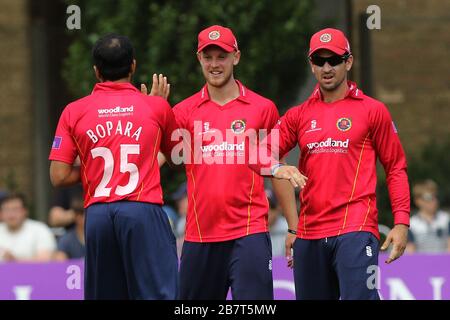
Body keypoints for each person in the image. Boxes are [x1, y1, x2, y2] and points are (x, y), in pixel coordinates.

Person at [250, 28, 410, 300]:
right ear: (311, 65)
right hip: (309, 233)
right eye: (319, 61)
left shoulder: (373, 110)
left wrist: (402, 222)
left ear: (348, 62)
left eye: (334, 60)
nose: (327, 67)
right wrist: (278, 168)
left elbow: (395, 166)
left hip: (355, 230)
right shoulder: (298, 115)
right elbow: (258, 153)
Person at [143, 25, 298, 300]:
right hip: (200, 236)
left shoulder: (263, 108)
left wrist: (294, 227)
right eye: (208, 57)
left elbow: (278, 168)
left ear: (236, 57)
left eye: (222, 56)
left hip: (249, 233)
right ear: (199, 59)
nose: (215, 64)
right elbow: (153, 161)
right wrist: (152, 119)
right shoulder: (183, 112)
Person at [49, 33, 179, 299]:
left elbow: (58, 176)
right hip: (143, 211)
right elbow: (179, 158)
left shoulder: (74, 111)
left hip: (97, 217)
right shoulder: (156, 107)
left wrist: (91, 169)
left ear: (96, 71)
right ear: (133, 65)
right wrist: (157, 112)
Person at [0, 193, 56, 262]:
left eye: (15, 209)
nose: (11, 214)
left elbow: (45, 261)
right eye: (6, 209)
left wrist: (15, 261)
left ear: (25, 211)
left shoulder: (40, 229)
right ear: (1, 213)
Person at [407, 179, 450, 253]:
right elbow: (411, 250)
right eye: (429, 197)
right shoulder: (411, 224)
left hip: (444, 262)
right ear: (417, 200)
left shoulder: (446, 219)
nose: (434, 201)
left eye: (435, 196)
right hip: (421, 263)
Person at [266, 188, 289, 257]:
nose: (267, 211)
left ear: (279, 208)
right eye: (264, 207)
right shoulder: (250, 230)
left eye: (271, 207)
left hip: (281, 266)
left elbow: (290, 263)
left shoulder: (289, 229)